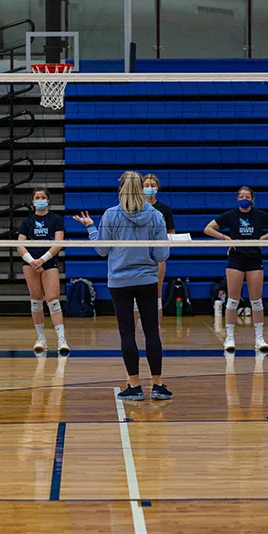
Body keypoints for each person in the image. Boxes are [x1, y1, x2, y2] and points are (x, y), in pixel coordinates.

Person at [72, 171, 171, 401]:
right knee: (152, 332)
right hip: (147, 279)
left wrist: (90, 228)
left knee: (127, 332)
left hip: (120, 282)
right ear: (140, 189)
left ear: (121, 189)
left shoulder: (110, 215)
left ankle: (134, 387)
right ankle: (157, 385)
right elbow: (160, 254)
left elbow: (102, 250)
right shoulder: (156, 216)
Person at [204, 186, 268, 354]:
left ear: (252, 199)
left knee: (256, 301)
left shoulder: (259, 215)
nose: (244, 198)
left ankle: (259, 338)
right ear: (237, 198)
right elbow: (208, 228)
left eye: (247, 196)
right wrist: (226, 238)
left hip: (254, 259)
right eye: (241, 196)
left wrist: (263, 238)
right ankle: (229, 338)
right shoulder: (230, 215)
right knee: (233, 300)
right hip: (236, 259)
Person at [17, 187, 68, 354]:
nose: (40, 200)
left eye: (43, 197)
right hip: (30, 264)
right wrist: (32, 261)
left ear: (48, 200)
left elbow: (59, 242)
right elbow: (20, 245)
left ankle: (61, 340)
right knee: (36, 299)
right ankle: (41, 338)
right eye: (37, 197)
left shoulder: (56, 219)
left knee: (53, 300)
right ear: (32, 202)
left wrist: (42, 260)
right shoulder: (27, 222)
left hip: (48, 261)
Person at [140, 173, 175, 323]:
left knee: (157, 293)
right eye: (146, 186)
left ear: (158, 188)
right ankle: (136, 330)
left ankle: (156, 329)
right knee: (138, 293)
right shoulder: (137, 208)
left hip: (158, 256)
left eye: (152, 186)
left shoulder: (164, 209)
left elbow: (171, 233)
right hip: (139, 255)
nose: (149, 188)